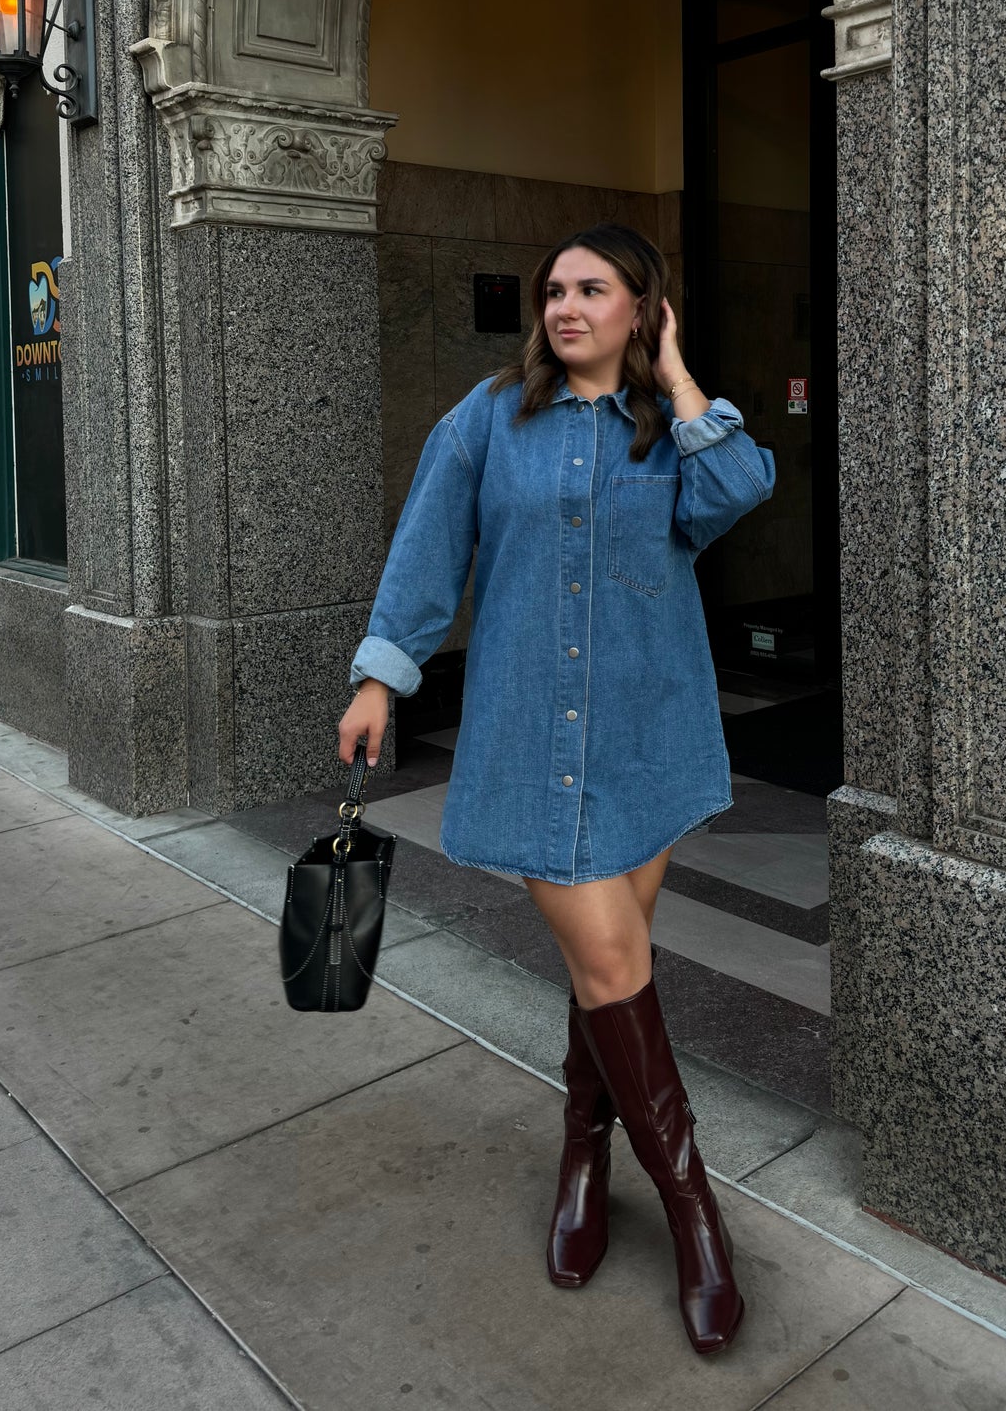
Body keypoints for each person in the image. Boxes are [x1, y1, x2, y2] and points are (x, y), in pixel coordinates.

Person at [336, 222, 775, 1355]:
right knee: (614, 960)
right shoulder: (489, 419)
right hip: (535, 734)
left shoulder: (666, 430)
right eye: (553, 291)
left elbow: (737, 486)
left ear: (643, 306)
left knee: (601, 970)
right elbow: (428, 548)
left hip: (644, 733)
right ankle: (694, 1215)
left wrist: (678, 378)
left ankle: (584, 1156)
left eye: (593, 289)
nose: (565, 307)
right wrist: (383, 675)